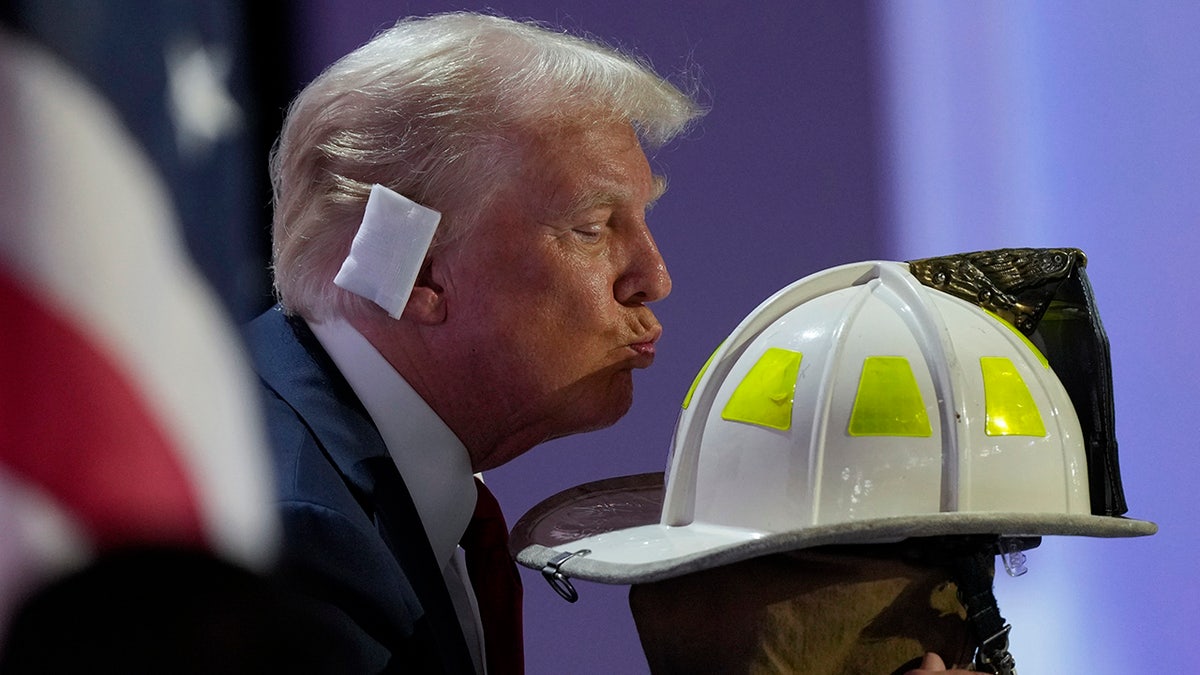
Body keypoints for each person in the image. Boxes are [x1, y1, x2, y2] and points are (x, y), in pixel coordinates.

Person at [243, 11, 703, 674]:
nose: (653, 278)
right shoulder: (295, 536)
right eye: (593, 227)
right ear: (424, 271)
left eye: (642, 218)